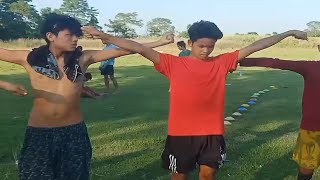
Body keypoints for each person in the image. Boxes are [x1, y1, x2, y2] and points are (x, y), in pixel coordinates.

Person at [82, 21, 307, 180]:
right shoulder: (173, 63)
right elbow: (137, 47)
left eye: (211, 46)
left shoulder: (221, 63)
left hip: (212, 133)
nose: (206, 51)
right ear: (190, 42)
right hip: (181, 134)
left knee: (208, 174)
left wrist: (287, 33)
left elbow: (256, 45)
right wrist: (104, 36)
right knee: (179, 174)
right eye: (201, 46)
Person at [0, 13, 174, 179]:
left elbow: (125, 51)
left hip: (73, 131)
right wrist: (5, 84)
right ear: (51, 36)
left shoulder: (83, 58)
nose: (75, 39)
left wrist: (159, 42)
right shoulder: (29, 58)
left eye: (77, 35)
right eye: (69, 35)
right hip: (39, 132)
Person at [239, 46, 320, 180]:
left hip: (311, 128)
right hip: (311, 130)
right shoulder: (310, 67)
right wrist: (239, 61)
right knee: (306, 170)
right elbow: (275, 62)